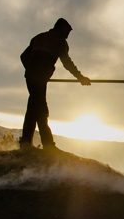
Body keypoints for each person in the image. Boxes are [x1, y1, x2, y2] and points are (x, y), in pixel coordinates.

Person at [19, 18, 90, 149]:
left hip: (30, 77)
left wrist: (30, 70)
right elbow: (67, 63)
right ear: (61, 29)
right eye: (67, 32)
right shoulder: (60, 43)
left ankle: (27, 142)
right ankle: (45, 144)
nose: (68, 35)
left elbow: (23, 56)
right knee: (41, 109)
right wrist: (80, 77)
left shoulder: (38, 37)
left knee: (35, 107)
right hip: (39, 78)